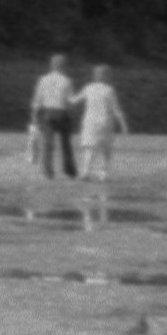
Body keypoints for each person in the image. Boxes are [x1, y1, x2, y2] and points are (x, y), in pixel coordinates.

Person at [70, 62, 129, 226]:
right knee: (103, 148)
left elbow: (74, 100)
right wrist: (123, 124)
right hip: (103, 122)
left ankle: (87, 172)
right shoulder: (108, 90)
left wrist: (63, 98)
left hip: (91, 122)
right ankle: (100, 173)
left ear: (97, 75)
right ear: (106, 76)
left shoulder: (91, 88)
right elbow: (116, 109)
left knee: (90, 146)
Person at [26, 55, 81, 206]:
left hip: (47, 113)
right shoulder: (67, 80)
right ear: (63, 66)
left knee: (48, 144)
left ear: (51, 65)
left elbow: (37, 99)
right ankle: (70, 171)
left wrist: (34, 116)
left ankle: (48, 172)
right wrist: (74, 111)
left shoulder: (43, 79)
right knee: (66, 144)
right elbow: (70, 101)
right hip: (62, 113)